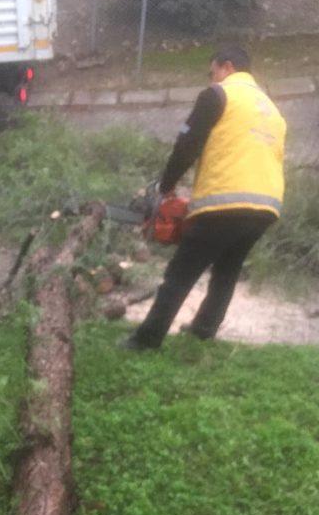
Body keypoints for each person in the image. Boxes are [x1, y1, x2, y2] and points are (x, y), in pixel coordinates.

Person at [121, 46, 287, 350]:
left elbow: (188, 143)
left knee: (180, 273)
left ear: (225, 67)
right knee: (227, 268)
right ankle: (204, 330)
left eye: (212, 71)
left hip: (224, 201)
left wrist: (166, 186)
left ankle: (145, 341)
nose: (211, 77)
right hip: (267, 205)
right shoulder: (271, 108)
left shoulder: (218, 94)